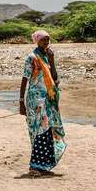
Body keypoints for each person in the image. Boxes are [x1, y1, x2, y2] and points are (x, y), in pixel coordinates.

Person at [19, 30, 66, 176]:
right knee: (39, 130)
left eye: (48, 40)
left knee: (48, 130)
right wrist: (21, 101)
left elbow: (55, 79)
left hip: (48, 99)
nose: (46, 43)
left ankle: (43, 166)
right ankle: (34, 167)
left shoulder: (47, 56)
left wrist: (52, 61)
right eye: (43, 40)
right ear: (37, 41)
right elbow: (25, 79)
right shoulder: (32, 57)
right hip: (35, 100)